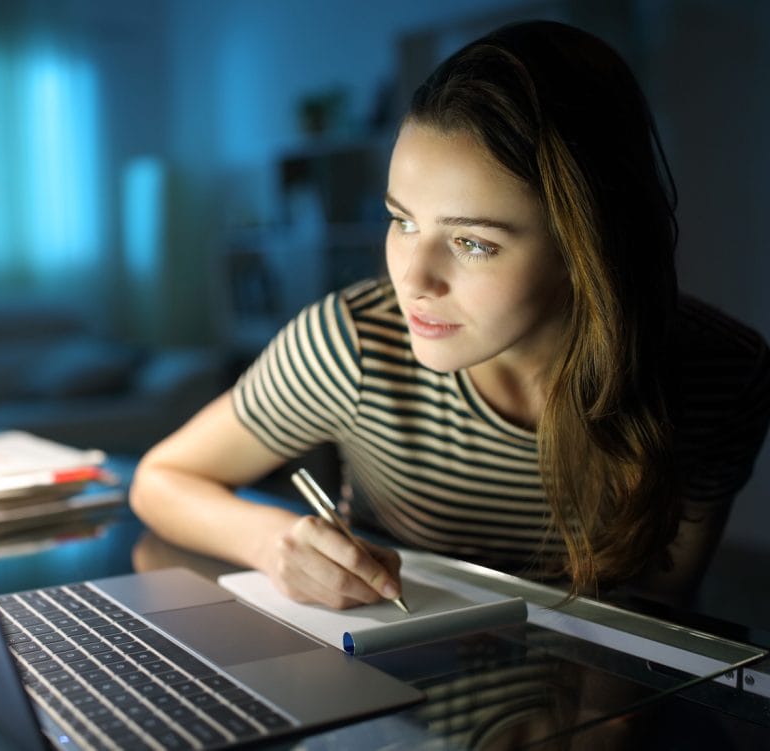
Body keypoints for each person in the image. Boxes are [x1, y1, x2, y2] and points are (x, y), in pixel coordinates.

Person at [129, 19, 770, 610]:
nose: (411, 280)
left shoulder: (719, 375)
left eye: (472, 242)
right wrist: (273, 544)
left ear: (588, 246)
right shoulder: (352, 343)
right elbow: (158, 479)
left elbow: (654, 619)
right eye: (401, 220)